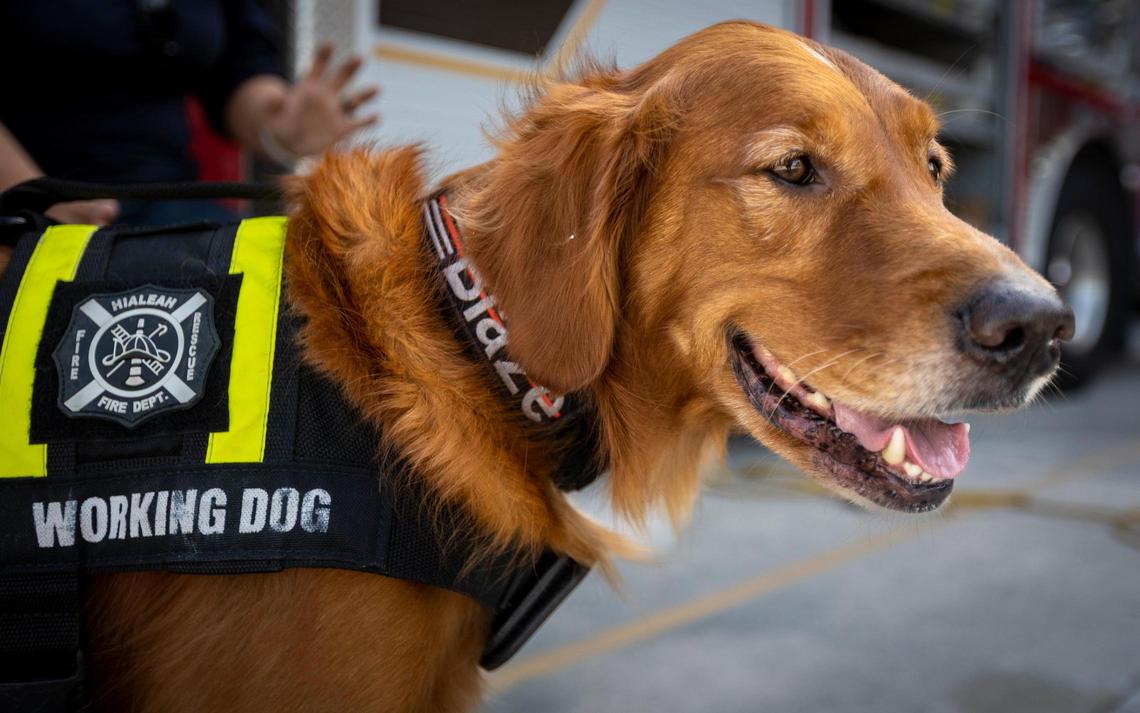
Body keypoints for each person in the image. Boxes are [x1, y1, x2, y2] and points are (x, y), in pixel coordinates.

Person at [0, 0, 379, 225]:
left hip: (168, 206)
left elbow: (239, 66)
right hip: (24, 210)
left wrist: (282, 124)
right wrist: (33, 204)